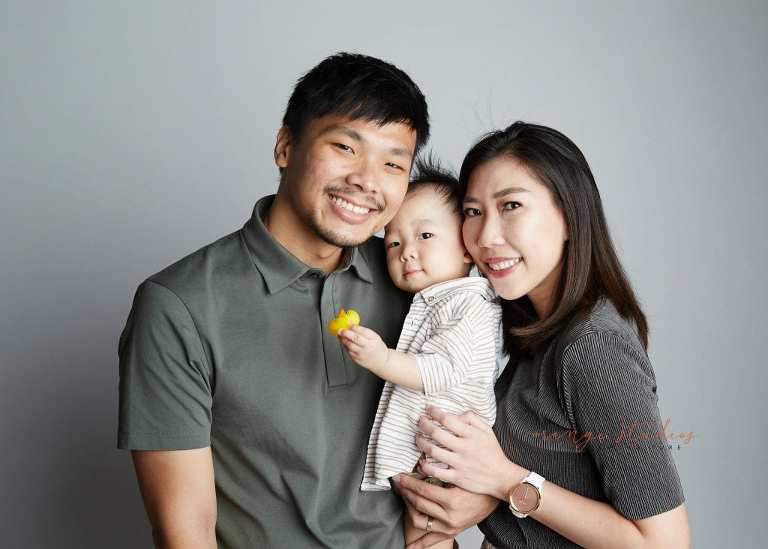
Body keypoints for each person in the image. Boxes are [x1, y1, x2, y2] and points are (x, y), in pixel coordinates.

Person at [117, 52, 429, 549]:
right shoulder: (178, 305)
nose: (368, 180)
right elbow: (185, 531)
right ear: (286, 146)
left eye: (393, 163)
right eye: (346, 147)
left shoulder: (414, 282)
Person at [394, 122, 691, 548]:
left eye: (511, 206)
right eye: (474, 212)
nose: (486, 237)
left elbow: (665, 544)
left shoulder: (593, 347)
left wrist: (504, 482)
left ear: (570, 216)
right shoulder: (529, 329)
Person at [337, 157, 502, 548]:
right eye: (393, 242)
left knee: (425, 538)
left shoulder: (472, 305)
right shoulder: (433, 300)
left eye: (425, 236)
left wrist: (381, 359)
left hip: (446, 450)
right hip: (430, 449)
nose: (406, 252)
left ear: (467, 248)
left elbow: (442, 370)